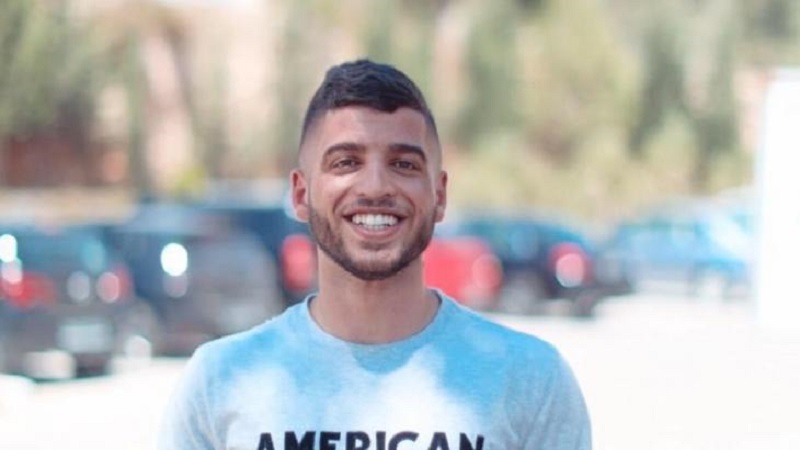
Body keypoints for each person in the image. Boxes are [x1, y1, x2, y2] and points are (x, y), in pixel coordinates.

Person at [158, 59, 591, 450]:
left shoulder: (532, 380)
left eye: (404, 164)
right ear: (301, 194)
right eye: (346, 162)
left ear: (439, 196)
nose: (375, 187)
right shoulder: (218, 381)